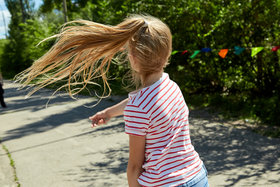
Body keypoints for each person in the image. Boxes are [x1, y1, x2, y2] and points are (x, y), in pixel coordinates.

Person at [17, 14, 209, 186]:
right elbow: (145, 105)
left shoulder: (139, 106)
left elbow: (135, 166)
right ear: (167, 53)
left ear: (133, 59)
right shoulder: (171, 87)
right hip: (197, 176)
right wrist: (109, 112)